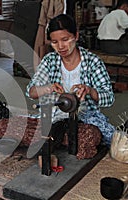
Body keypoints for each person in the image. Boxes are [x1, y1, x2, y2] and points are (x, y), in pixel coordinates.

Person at [27, 14, 115, 147]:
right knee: (15, 127)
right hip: (53, 117)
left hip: (85, 118)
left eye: (65, 39)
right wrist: (48, 88)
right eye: (55, 42)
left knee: (91, 137)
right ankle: (58, 141)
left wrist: (90, 91)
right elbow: (31, 92)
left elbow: (109, 98)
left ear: (76, 36)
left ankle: (58, 142)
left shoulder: (92, 62)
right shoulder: (49, 61)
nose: (61, 46)